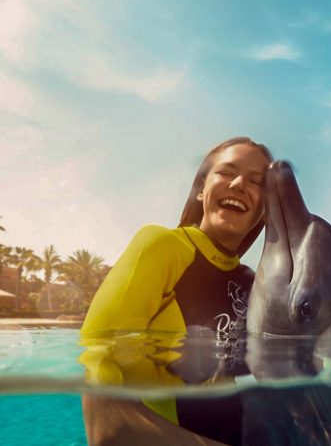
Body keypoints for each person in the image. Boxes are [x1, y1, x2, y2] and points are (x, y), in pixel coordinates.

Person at [80, 137, 274, 446]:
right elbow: (104, 414)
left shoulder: (253, 284)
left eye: (256, 181)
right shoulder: (161, 246)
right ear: (201, 189)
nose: (239, 184)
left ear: (264, 210)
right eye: (226, 172)